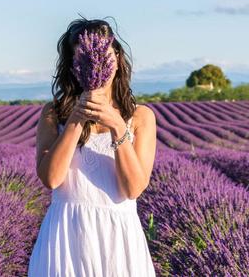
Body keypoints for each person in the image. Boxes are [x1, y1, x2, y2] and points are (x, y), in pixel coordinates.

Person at [28, 16, 157, 276]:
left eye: (104, 57)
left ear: (118, 60)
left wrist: (117, 126)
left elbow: (133, 188)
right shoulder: (53, 114)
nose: (96, 65)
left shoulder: (141, 116)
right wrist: (76, 118)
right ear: (74, 67)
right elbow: (51, 179)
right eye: (83, 60)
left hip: (117, 237)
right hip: (66, 233)